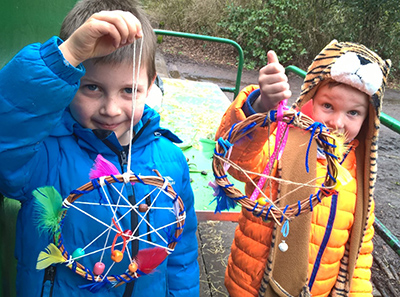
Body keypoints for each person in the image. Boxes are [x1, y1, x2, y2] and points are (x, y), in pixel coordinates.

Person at [0, 0, 199, 296]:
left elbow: (181, 252)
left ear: (151, 85)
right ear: (70, 83)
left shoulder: (169, 160)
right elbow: (8, 131)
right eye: (92, 87)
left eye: (129, 91)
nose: (111, 109)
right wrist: (65, 57)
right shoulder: (42, 155)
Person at [215, 40, 391, 297]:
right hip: (253, 288)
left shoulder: (358, 179)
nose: (337, 123)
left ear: (368, 121)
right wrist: (261, 106)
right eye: (327, 106)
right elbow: (238, 164)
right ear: (309, 101)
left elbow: (360, 253)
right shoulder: (280, 144)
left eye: (353, 113)